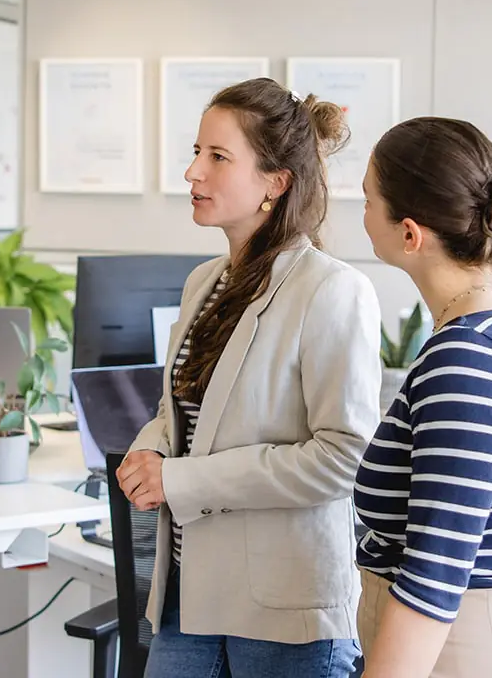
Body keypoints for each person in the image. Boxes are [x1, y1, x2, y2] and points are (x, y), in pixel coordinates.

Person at [116, 77, 382, 677]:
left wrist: (179, 479)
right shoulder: (204, 282)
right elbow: (184, 413)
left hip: (283, 611)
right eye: (196, 152)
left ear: (275, 183)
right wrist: (150, 448)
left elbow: (344, 458)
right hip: (187, 596)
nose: (193, 172)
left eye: (218, 157)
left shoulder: (331, 290)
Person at [354, 118, 492, 678]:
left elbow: (434, 575)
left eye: (368, 200)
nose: (362, 215)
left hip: (459, 654)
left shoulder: (469, 356)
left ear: (409, 234)